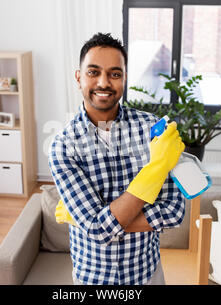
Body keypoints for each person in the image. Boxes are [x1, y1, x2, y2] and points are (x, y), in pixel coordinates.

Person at [48, 33, 185, 285]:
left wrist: (103, 222)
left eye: (114, 73)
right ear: (78, 78)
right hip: (92, 278)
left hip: (147, 274)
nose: (104, 82)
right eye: (93, 72)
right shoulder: (63, 147)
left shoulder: (152, 129)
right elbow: (98, 230)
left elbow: (174, 212)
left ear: (124, 79)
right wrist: (156, 169)